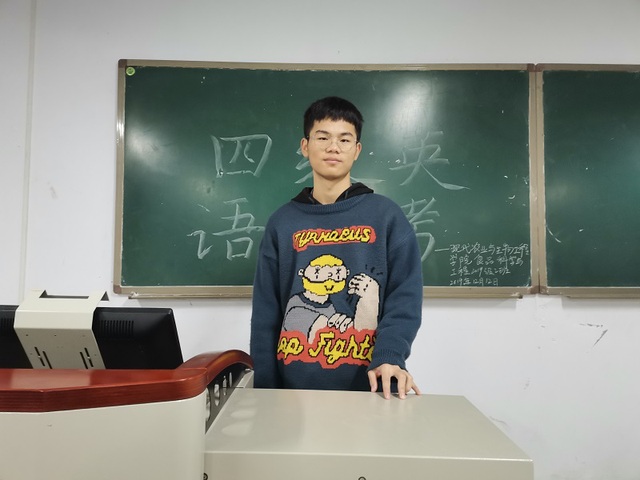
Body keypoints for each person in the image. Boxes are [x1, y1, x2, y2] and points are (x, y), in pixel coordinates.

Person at [249, 96, 423, 399]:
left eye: (344, 139)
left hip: (371, 388)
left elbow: (405, 297)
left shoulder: (386, 216)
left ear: (357, 150)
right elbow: (266, 312)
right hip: (293, 395)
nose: (333, 147)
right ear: (305, 146)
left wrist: (390, 355)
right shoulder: (282, 222)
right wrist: (265, 388)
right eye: (323, 137)